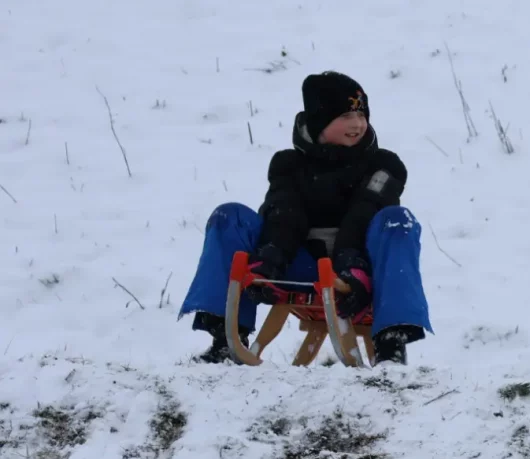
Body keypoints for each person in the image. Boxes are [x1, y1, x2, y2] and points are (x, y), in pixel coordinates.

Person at [179, 71, 433, 365]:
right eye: (346, 114)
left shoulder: (384, 164)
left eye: (362, 114)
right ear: (319, 120)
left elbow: (365, 211)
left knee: (397, 221)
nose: (358, 123)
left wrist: (353, 266)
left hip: (364, 271)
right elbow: (285, 212)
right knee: (229, 216)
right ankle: (224, 338)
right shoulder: (288, 165)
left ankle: (392, 344)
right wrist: (271, 258)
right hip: (300, 266)